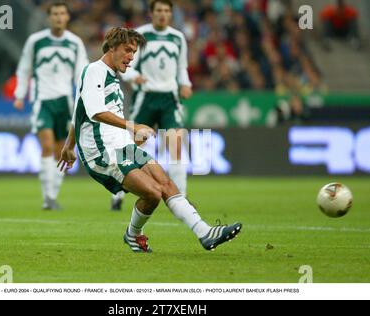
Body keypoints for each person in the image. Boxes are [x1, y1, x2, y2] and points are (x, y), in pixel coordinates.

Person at [57, 27, 242, 253]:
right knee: (152, 192)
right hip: (102, 152)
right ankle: (133, 234)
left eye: (134, 52)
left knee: (165, 184)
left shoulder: (113, 78)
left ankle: (204, 232)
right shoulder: (94, 70)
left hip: (122, 146)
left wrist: (69, 147)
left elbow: (79, 111)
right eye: (127, 50)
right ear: (112, 47)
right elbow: (94, 112)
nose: (131, 57)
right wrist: (132, 126)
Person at [111, 0, 193, 211]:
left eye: (166, 11)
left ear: (171, 14)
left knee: (176, 145)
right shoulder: (140, 35)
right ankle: (118, 192)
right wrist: (135, 76)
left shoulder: (177, 37)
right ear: (151, 13)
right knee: (131, 147)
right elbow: (128, 64)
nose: (162, 14)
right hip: (145, 98)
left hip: (169, 99)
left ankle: (180, 198)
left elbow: (182, 67)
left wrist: (185, 83)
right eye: (159, 10)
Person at [14, 1, 88, 210]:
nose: (58, 17)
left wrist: (86, 97)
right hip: (42, 100)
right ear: (49, 17)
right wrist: (20, 94)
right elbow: (24, 68)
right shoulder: (36, 41)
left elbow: (82, 74)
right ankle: (47, 197)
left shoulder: (75, 43)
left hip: (65, 102)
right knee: (46, 146)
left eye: (62, 13)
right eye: (54, 14)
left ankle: (52, 196)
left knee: (60, 152)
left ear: (67, 17)